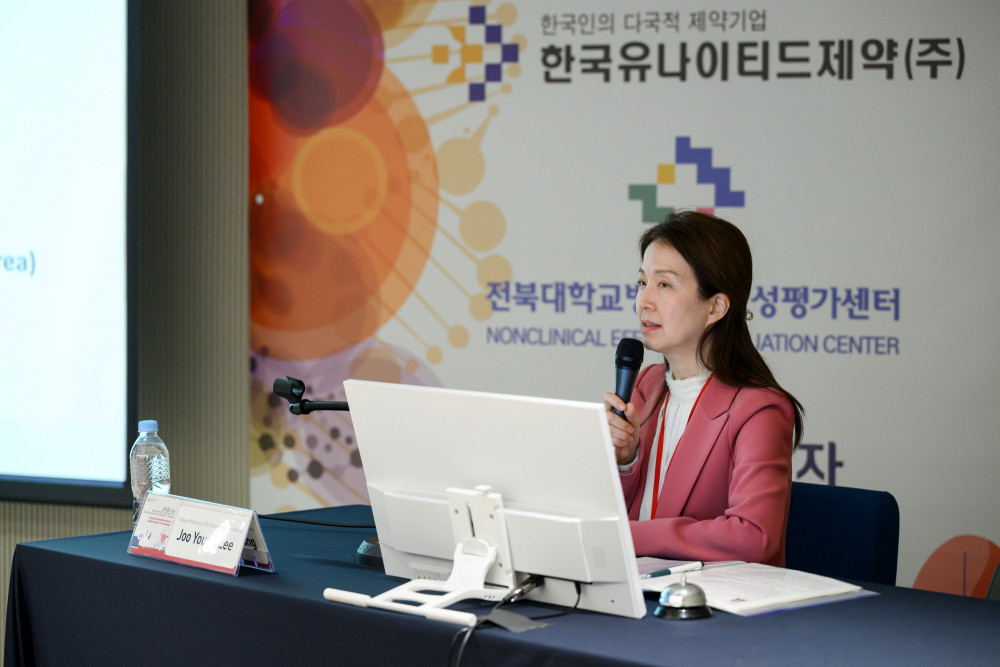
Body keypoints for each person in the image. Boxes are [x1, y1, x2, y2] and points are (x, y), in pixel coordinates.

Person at [604, 210, 803, 566]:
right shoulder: (647, 384)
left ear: (715, 307)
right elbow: (625, 511)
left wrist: (627, 536)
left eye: (664, 285)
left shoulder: (758, 409)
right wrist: (625, 462)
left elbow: (753, 537)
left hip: (710, 598)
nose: (644, 301)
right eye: (642, 283)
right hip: (636, 585)